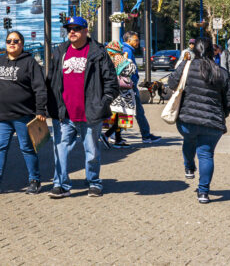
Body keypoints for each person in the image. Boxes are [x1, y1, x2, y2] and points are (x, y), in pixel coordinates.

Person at [46, 17, 118, 198]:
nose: (72, 32)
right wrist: (47, 104)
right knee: (60, 150)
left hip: (90, 112)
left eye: (76, 28)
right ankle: (60, 184)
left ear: (86, 30)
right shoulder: (60, 51)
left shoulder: (98, 52)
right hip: (64, 114)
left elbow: (111, 80)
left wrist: (104, 101)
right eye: (69, 28)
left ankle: (94, 182)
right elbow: (51, 80)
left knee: (91, 151)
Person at [0, 30, 48, 195]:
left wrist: (40, 110)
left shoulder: (30, 63)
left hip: (23, 116)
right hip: (2, 117)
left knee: (28, 149)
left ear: (21, 44)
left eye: (16, 41)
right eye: (9, 41)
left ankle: (35, 181)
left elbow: (40, 88)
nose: (12, 43)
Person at [166, 36, 230, 204]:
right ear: (212, 51)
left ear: (194, 50)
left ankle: (189, 166)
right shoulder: (220, 71)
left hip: (187, 119)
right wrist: (221, 115)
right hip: (212, 122)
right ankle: (203, 193)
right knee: (206, 154)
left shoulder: (186, 66)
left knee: (189, 140)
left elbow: (171, 83)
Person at [121, 31, 162, 143]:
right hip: (130, 86)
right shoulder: (128, 51)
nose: (138, 42)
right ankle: (146, 135)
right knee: (137, 111)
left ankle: (115, 134)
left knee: (126, 110)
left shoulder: (125, 49)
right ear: (129, 40)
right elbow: (127, 68)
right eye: (136, 40)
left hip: (127, 86)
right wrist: (133, 82)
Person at [103, 40, 137, 149]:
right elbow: (131, 70)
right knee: (122, 116)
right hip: (121, 94)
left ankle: (118, 139)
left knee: (118, 116)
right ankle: (107, 135)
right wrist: (128, 59)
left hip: (110, 93)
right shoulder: (119, 58)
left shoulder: (105, 58)